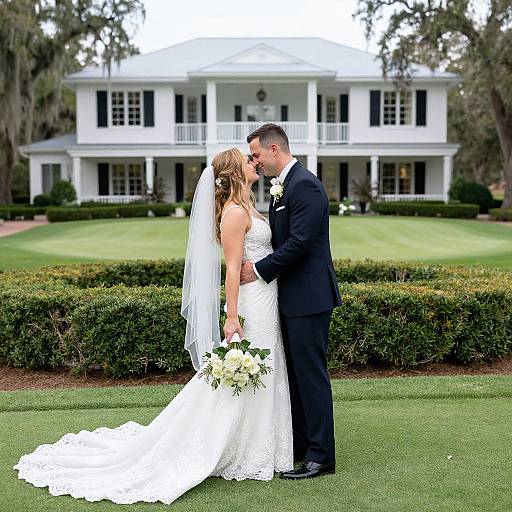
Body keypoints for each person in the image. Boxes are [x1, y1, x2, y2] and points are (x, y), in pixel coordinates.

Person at [13, 148, 293, 505]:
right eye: (247, 160)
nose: (254, 163)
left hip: (267, 299)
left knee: (264, 370)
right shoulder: (236, 213)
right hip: (251, 304)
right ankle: (245, 451)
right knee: (248, 372)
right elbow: (232, 270)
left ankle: (265, 447)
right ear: (236, 172)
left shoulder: (250, 206)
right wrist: (232, 315)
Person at [241, 123, 342, 480]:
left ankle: (321, 456)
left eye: (255, 155)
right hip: (290, 297)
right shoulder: (283, 187)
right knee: (297, 377)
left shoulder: (305, 186)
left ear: (273, 149)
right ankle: (302, 444)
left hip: (310, 298)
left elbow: (299, 244)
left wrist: (258, 270)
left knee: (311, 377)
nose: (254, 162)